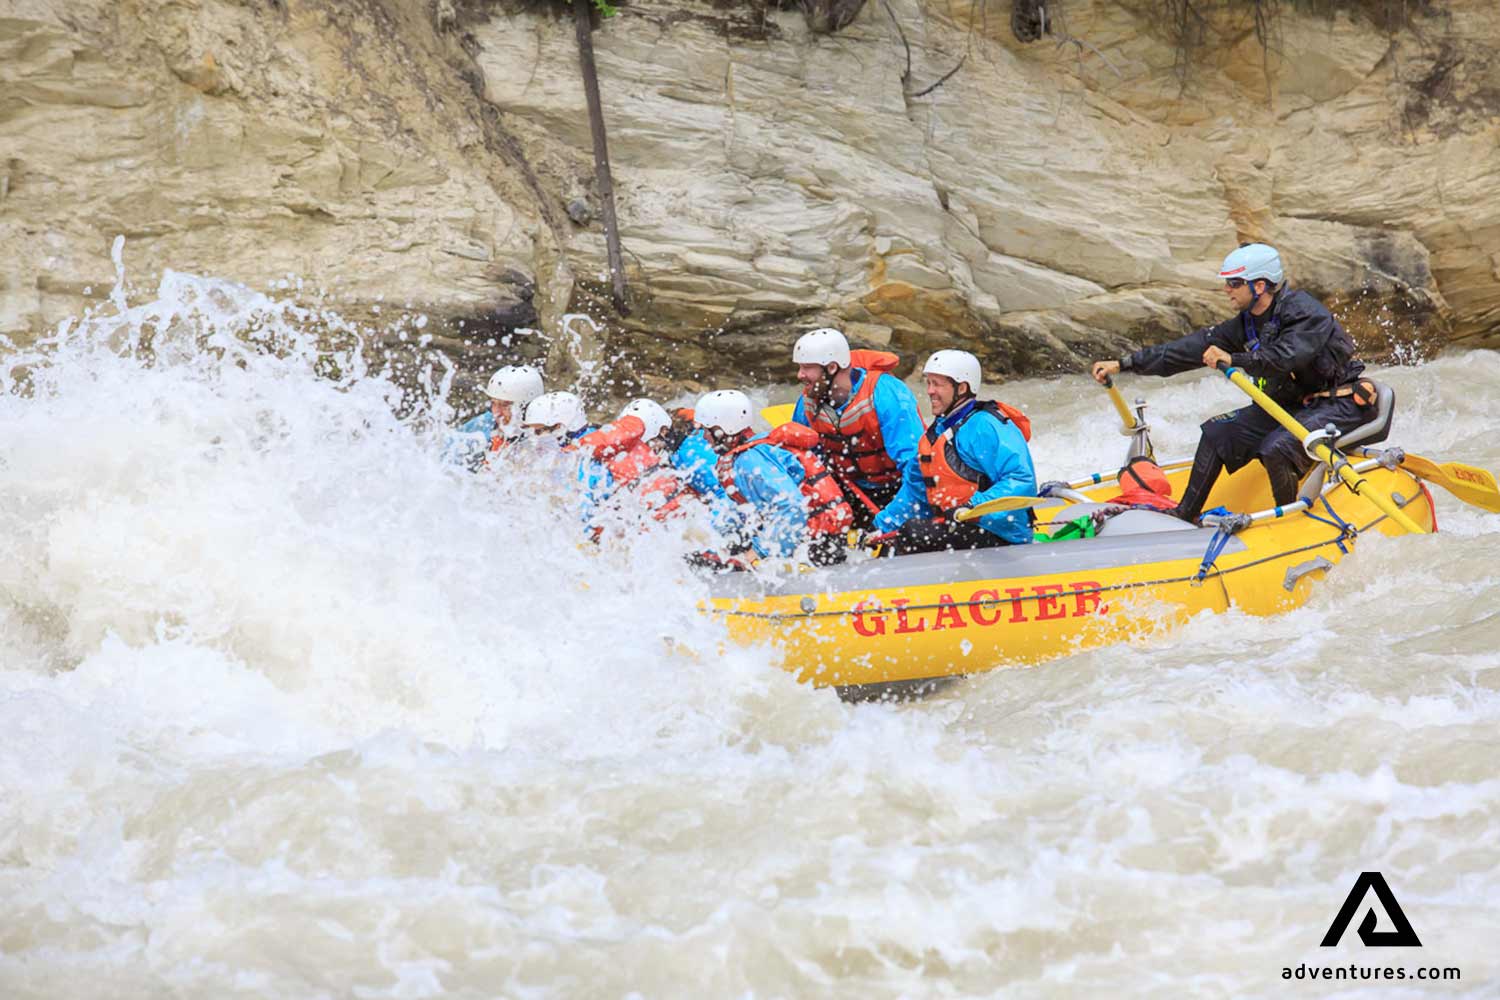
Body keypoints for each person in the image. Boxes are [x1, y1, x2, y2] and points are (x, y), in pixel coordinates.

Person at [1090, 243, 1375, 522]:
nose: (1227, 289)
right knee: (1217, 431)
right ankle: (1184, 513)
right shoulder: (1246, 323)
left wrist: (1234, 359)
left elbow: (1286, 356)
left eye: (1234, 283)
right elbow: (1187, 350)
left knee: (1276, 448)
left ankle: (1288, 521)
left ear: (1260, 286)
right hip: (1289, 407)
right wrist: (1125, 364)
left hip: (1338, 403)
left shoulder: (1305, 311)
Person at [887, 350, 1037, 555]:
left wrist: (972, 505)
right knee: (896, 538)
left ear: (962, 388)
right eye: (928, 383)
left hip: (1000, 535)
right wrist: (880, 526)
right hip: (959, 529)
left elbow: (1022, 480)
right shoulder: (935, 434)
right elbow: (915, 493)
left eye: (937, 384)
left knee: (913, 534)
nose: (929, 391)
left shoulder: (985, 426)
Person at [694, 389, 854, 567]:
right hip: (810, 537)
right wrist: (714, 534)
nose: (704, 436)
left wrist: (757, 553)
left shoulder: (750, 460)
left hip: (818, 544)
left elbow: (792, 508)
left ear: (724, 428)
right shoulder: (754, 448)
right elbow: (744, 509)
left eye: (707, 430)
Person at [790, 328, 926, 533]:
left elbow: (917, 469)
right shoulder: (807, 403)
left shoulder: (886, 393)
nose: (800, 375)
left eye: (807, 368)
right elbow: (804, 464)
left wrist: (888, 520)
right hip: (848, 490)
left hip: (899, 491)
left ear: (832, 367)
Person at [454, 364, 545, 455]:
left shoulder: (544, 441)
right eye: (493, 403)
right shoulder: (485, 423)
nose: (496, 413)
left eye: (505, 405)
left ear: (527, 408)